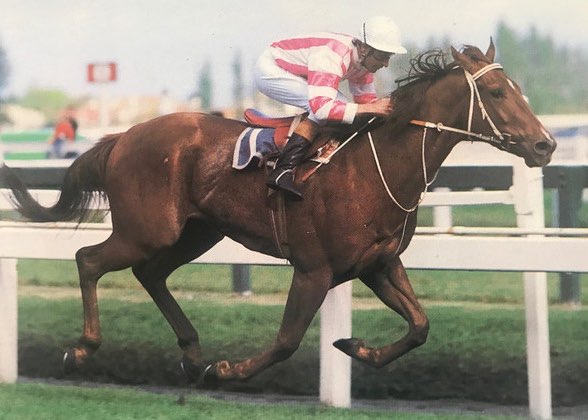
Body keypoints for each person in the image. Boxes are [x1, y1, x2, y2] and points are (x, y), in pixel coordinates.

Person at [254, 16, 407, 199]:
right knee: (327, 108)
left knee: (343, 106)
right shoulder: (333, 55)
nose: (386, 64)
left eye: (389, 57)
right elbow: (322, 109)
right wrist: (371, 109)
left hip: (297, 71)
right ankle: (283, 170)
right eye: (382, 56)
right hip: (271, 69)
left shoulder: (364, 64)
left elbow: (367, 102)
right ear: (364, 49)